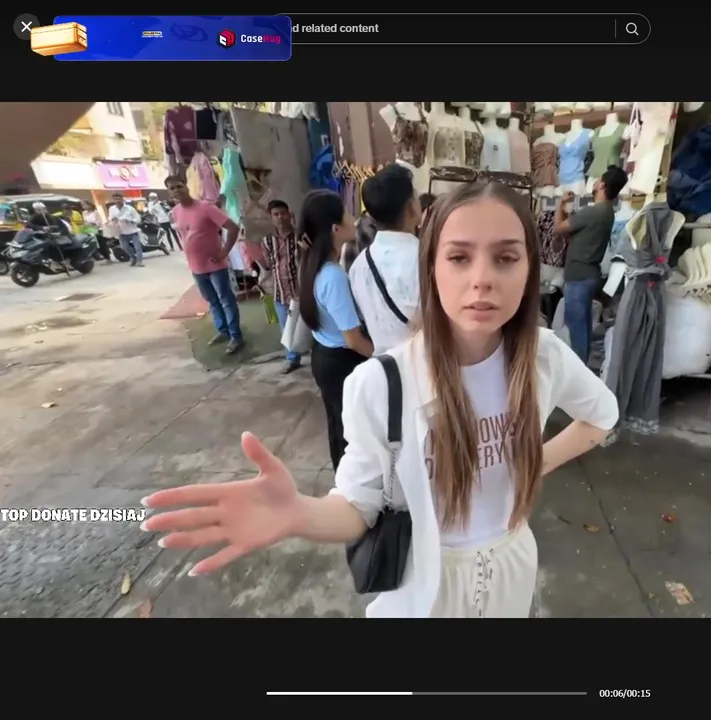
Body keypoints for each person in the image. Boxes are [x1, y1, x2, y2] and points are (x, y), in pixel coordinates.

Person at [139, 181, 620, 619]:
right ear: (430, 269)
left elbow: (602, 415)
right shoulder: (382, 383)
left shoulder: (544, 357)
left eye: (506, 258)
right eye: (458, 257)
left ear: (530, 269)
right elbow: (358, 506)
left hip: (513, 570)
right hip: (422, 588)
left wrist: (530, 464)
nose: (482, 278)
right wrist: (298, 514)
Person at [295, 190, 373, 470]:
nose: (354, 218)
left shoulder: (312, 265)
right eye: (347, 213)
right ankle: (350, 486)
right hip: (341, 363)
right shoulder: (333, 276)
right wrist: (382, 357)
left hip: (325, 355)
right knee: (351, 432)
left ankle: (343, 479)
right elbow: (353, 339)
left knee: (338, 425)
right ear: (335, 228)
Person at [166, 175, 246, 355]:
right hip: (196, 267)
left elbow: (233, 228)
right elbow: (184, 235)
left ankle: (236, 336)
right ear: (169, 193)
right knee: (212, 301)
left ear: (186, 186)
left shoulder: (206, 208)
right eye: (172, 188)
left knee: (226, 300)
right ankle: (223, 331)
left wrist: (224, 253)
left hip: (215, 265)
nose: (176, 190)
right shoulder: (176, 211)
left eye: (179, 186)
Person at [554, 165, 627, 363]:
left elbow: (558, 228)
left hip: (579, 276)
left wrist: (560, 203)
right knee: (583, 325)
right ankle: (583, 366)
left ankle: (578, 369)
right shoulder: (607, 212)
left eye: (598, 180)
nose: (594, 182)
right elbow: (575, 233)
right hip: (589, 275)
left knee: (576, 327)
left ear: (602, 185)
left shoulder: (593, 212)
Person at [348, 164, 422, 354]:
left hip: (384, 366)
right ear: (411, 208)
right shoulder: (424, 258)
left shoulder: (359, 266)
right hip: (424, 362)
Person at [262, 200, 304, 374]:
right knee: (286, 328)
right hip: (280, 291)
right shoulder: (267, 241)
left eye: (283, 213)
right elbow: (268, 265)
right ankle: (292, 359)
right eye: (276, 214)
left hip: (302, 291)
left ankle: (317, 353)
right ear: (271, 217)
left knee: (311, 324)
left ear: (290, 214)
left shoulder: (300, 237)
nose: (280, 217)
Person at [108, 192, 146, 267]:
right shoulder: (112, 209)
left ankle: (140, 261)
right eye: (115, 199)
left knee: (137, 247)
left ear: (122, 199)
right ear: (113, 200)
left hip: (132, 231)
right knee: (125, 247)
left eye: (119, 199)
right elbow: (109, 217)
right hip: (121, 232)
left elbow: (138, 219)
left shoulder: (130, 208)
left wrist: (131, 221)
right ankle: (133, 258)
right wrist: (112, 219)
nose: (117, 201)